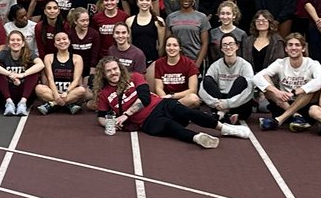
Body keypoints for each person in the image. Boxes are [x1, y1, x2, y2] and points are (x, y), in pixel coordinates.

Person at [94, 57, 247, 148]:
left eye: (115, 69)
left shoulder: (134, 77)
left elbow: (145, 98)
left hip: (160, 104)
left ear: (120, 69)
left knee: (187, 112)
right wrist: (111, 122)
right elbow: (101, 116)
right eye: (109, 71)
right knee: (172, 128)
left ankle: (225, 128)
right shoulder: (105, 93)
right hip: (148, 122)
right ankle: (198, 138)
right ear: (104, 74)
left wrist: (125, 115)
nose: (113, 73)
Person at [254, 33, 321, 132]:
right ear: (286, 49)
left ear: (303, 49)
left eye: (297, 45)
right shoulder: (280, 63)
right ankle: (296, 116)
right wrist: (277, 92)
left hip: (304, 104)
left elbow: (320, 80)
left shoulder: (312, 64)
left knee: (310, 89)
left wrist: (296, 91)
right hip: (284, 102)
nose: (293, 48)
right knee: (266, 82)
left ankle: (279, 120)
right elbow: (257, 77)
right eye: (290, 45)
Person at [197, 33, 255, 125]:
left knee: (241, 80)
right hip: (219, 102)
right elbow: (202, 88)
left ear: (237, 46)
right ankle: (227, 115)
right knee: (207, 79)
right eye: (225, 45)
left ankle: (222, 114)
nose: (228, 47)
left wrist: (228, 104)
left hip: (239, 103)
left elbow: (249, 90)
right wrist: (215, 103)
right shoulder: (216, 65)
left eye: (231, 44)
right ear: (221, 49)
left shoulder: (245, 65)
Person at [0, 30, 45, 116]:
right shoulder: (3, 54)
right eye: (12, 40)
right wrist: (9, 74)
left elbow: (41, 64)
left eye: (18, 40)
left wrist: (22, 75)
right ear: (8, 43)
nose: (15, 42)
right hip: (6, 93)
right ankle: (9, 103)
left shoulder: (29, 54)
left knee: (33, 71)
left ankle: (22, 103)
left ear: (23, 43)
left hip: (24, 93)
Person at [34, 30, 88, 115]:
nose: (62, 41)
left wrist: (66, 92)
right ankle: (68, 104)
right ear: (55, 44)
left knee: (81, 90)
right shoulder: (48, 57)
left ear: (69, 41)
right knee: (39, 88)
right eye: (58, 40)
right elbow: (50, 79)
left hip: (70, 91)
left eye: (64, 39)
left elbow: (76, 80)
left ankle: (52, 104)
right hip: (52, 91)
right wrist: (56, 94)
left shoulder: (77, 58)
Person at [164, 0, 209, 69]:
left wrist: (197, 64)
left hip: (195, 61)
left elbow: (205, 43)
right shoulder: (171, 17)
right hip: (176, 62)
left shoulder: (202, 17)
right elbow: (168, 42)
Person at [152, 36, 201, 108]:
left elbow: (193, 90)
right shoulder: (159, 63)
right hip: (166, 100)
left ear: (180, 48)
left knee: (194, 98)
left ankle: (171, 110)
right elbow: (159, 88)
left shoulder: (189, 63)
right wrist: (165, 98)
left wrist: (172, 96)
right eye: (168, 45)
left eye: (175, 45)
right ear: (165, 47)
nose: (171, 48)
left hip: (183, 99)